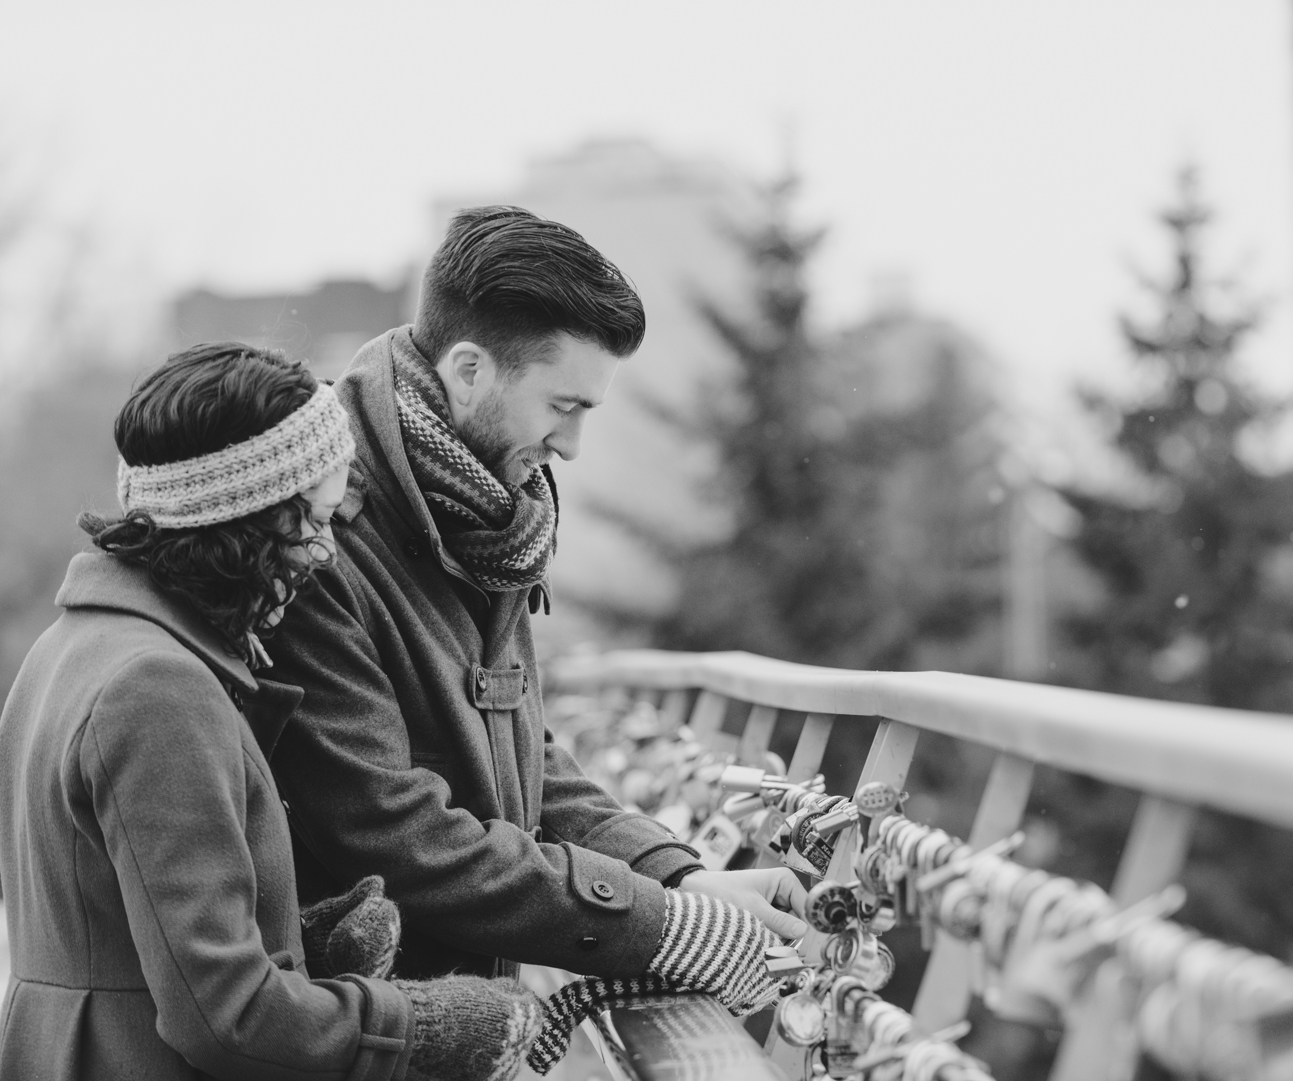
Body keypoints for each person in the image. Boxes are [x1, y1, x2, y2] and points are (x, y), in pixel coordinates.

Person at [263, 206, 808, 986]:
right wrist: (666, 926)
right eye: (564, 406)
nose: (573, 447)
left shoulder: (488, 511)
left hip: (463, 1013)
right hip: (360, 1028)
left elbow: (519, 756)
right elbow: (397, 837)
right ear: (469, 370)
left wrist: (680, 877)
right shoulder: (321, 536)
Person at [0, 343, 547, 1081]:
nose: (325, 550)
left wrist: (294, 938)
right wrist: (430, 1027)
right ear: (245, 523)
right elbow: (229, 1019)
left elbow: (110, 925)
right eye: (314, 520)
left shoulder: (71, 647)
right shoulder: (158, 688)